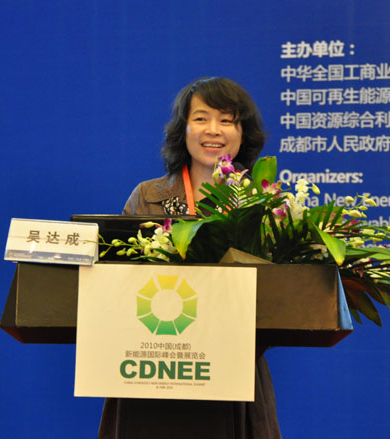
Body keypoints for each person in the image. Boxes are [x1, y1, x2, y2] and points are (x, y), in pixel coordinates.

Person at [99, 77, 281, 439]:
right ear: (183, 130)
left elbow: (278, 291)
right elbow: (116, 283)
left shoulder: (262, 201)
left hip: (232, 365)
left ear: (243, 133)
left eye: (227, 120)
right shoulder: (148, 196)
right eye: (201, 118)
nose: (213, 130)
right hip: (152, 362)